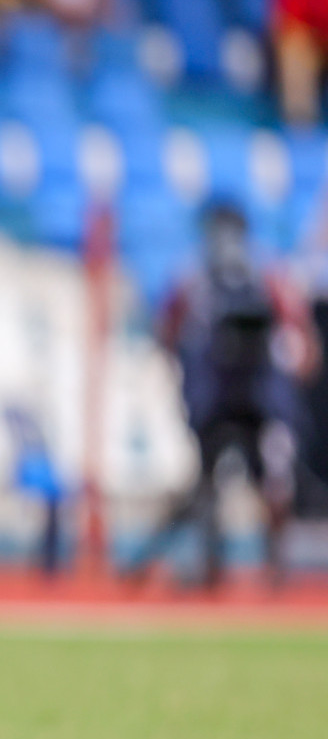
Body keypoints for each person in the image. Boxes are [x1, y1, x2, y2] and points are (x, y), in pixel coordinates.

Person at [124, 200, 318, 589]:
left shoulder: (266, 276)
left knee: (269, 481)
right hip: (216, 398)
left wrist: (288, 379)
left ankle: (274, 569)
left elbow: (301, 338)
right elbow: (169, 332)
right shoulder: (195, 279)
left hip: (259, 398)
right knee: (208, 485)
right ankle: (211, 567)